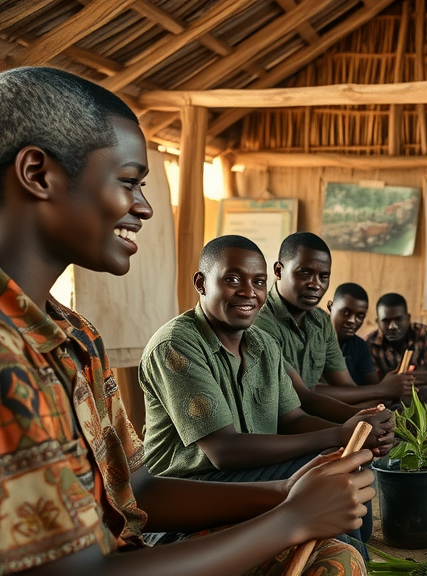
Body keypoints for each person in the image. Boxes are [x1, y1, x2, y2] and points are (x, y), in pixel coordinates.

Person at [0, 66, 372, 575]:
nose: (145, 208)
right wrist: (290, 519)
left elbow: (137, 489)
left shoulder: (75, 336)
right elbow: (221, 452)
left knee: (333, 553)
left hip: (134, 542)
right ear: (38, 174)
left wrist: (289, 492)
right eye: (129, 182)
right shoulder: (12, 356)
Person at [140, 235, 393, 485]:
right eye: (233, 279)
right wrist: (338, 434)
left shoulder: (263, 344)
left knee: (348, 459)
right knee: (335, 472)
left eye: (258, 282)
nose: (249, 292)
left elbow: (293, 419)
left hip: (248, 468)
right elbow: (223, 451)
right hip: (189, 483)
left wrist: (356, 431)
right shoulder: (176, 344)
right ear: (201, 283)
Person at [254, 232, 370, 422]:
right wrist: (369, 411)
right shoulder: (260, 321)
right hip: (276, 427)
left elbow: (346, 386)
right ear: (278, 271)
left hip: (310, 421)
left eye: (323, 277)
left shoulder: (321, 321)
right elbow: (302, 397)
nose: (315, 285)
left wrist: (374, 409)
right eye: (305, 273)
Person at [326, 282, 419, 408]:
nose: (352, 321)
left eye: (360, 316)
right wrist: (383, 390)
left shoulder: (359, 346)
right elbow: (314, 392)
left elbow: (374, 387)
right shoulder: (317, 338)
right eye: (346, 312)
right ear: (331, 306)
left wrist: (391, 386)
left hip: (354, 404)